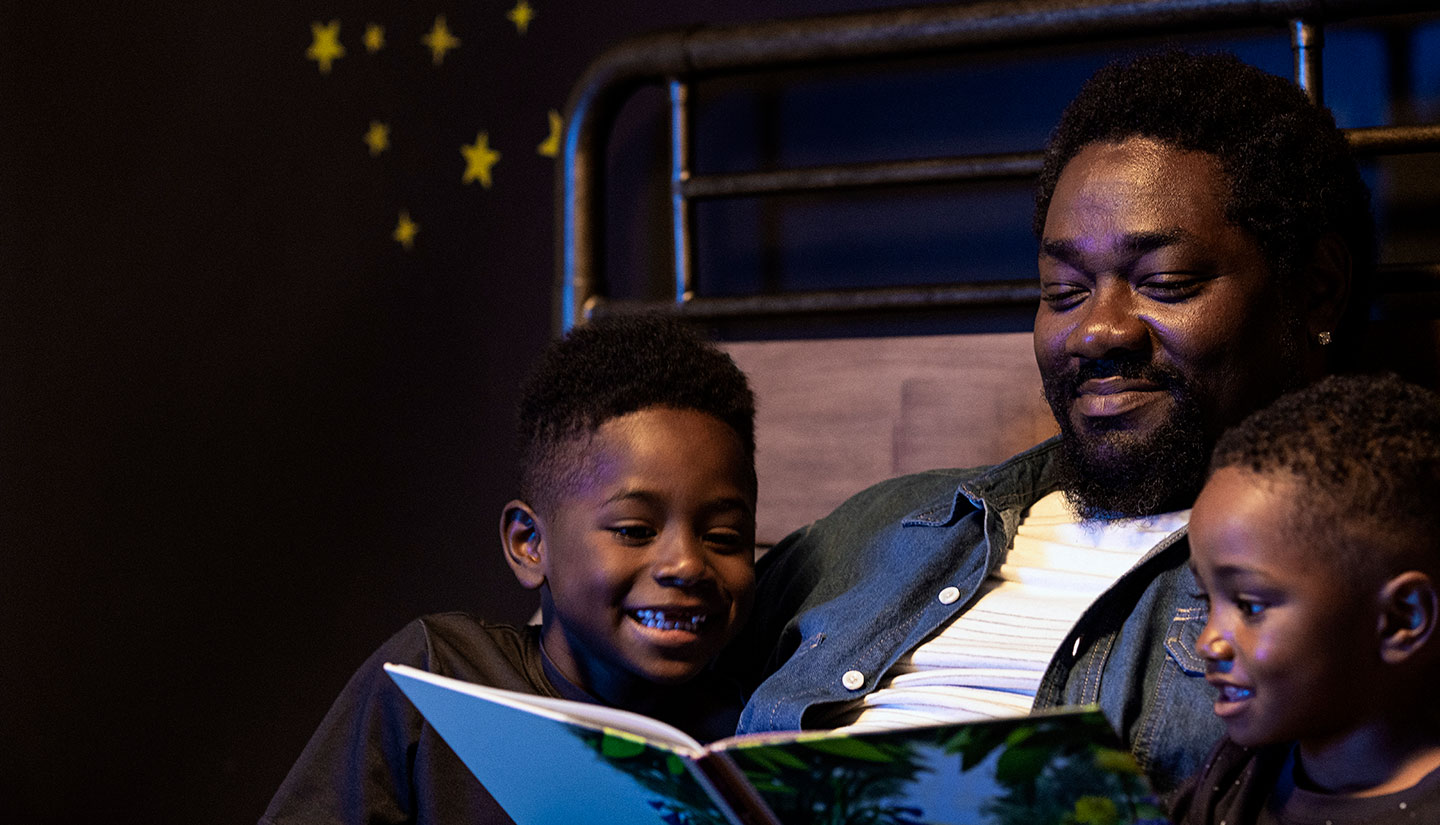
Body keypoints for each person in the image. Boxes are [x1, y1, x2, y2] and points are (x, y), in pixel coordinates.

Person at [728, 49, 1375, 795]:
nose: (1098, 331)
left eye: (1164, 283)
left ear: (1318, 289)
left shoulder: (1349, 576)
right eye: (1063, 291)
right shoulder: (884, 526)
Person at [261, 315, 759, 825]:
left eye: (724, 537)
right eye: (634, 530)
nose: (687, 565)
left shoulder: (759, 724)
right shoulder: (439, 675)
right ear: (529, 544)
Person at [1172, 373, 1440, 824]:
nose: (1207, 643)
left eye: (1250, 606)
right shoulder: (1240, 771)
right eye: (1205, 600)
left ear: (1400, 618)